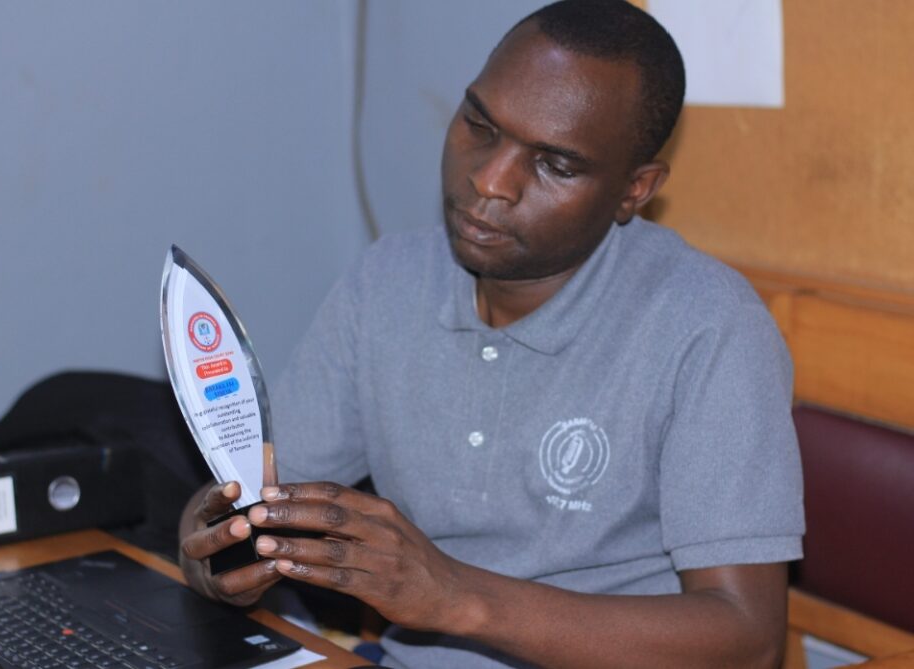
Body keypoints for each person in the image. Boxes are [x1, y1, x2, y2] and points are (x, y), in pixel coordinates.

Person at [179, 1, 804, 667]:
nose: (490, 180)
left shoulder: (708, 326)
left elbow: (749, 638)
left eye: (555, 164)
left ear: (635, 189)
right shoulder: (387, 282)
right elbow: (257, 501)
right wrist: (218, 550)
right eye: (480, 125)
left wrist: (457, 596)